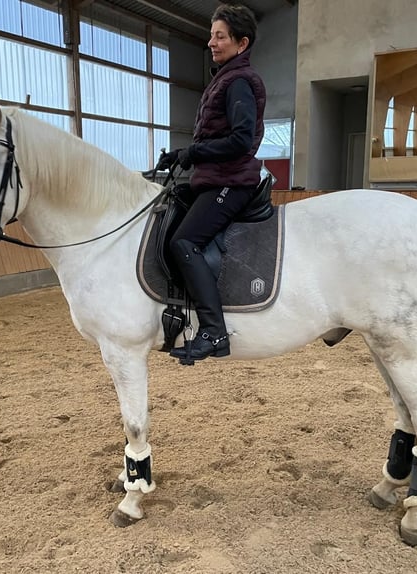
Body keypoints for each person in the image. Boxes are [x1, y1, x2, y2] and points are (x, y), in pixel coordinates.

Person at [157, 4, 266, 362]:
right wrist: (181, 155)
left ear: (241, 42)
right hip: (216, 178)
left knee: (184, 241)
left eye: (220, 36)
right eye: (212, 35)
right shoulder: (223, 79)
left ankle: (213, 331)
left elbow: (240, 140)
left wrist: (195, 153)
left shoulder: (238, 82)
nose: (212, 42)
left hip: (232, 182)